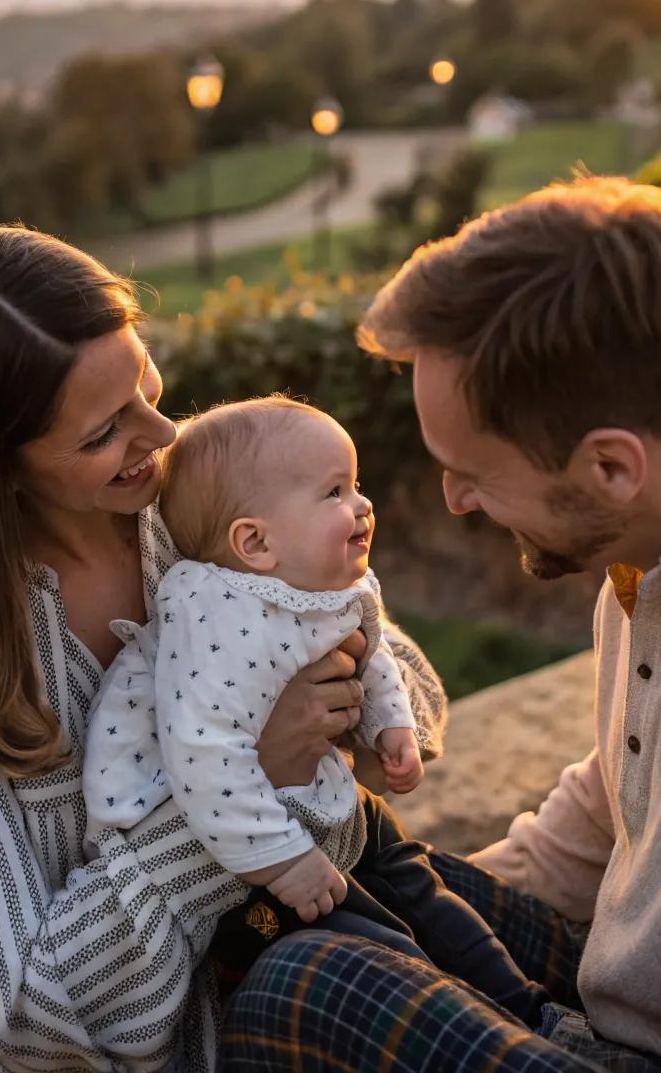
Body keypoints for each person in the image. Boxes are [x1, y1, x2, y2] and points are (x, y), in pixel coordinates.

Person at [0, 224, 453, 1072]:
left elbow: (402, 671)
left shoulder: (185, 506)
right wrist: (240, 775)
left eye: (150, 387)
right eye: (102, 432)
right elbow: (18, 1011)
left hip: (268, 995)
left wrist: (354, 721)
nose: (160, 435)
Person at [328, 172, 661, 1073]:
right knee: (357, 883)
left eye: (474, 471)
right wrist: (437, 907)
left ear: (609, 468)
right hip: (612, 990)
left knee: (317, 990)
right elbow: (616, 797)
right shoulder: (654, 545)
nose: (455, 500)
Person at [82, 396, 549, 1028]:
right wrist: (284, 860)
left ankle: (533, 1009)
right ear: (254, 541)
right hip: (233, 850)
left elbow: (370, 646)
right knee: (381, 941)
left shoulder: (308, 576)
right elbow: (204, 758)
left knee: (427, 890)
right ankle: (476, 1021)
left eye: (355, 486)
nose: (362, 505)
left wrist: (391, 726)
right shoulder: (217, 620)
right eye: (335, 492)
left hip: (321, 801)